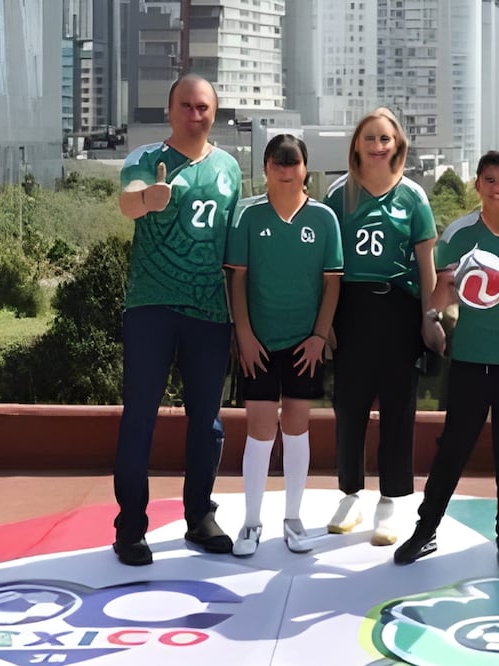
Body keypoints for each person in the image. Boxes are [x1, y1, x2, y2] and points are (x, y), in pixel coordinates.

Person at [394, 151, 499, 573]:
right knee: (452, 449)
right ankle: (425, 531)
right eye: (489, 180)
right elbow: (442, 294)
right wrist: (435, 310)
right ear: (478, 184)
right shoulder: (462, 233)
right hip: (470, 359)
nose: (497, 188)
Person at [111, 74, 241, 566]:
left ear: (214, 112)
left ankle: (199, 517)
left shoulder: (229, 167)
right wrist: (149, 201)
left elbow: (233, 244)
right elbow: (127, 204)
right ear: (170, 111)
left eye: (203, 106)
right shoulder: (145, 160)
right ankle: (130, 529)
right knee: (139, 419)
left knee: (206, 424)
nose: (195, 114)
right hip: (152, 307)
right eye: (185, 106)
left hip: (210, 311)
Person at [323, 108, 446, 546]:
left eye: (385, 138)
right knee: (349, 406)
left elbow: (426, 265)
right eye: (370, 138)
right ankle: (350, 493)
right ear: (357, 143)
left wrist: (430, 318)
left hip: (398, 308)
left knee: (399, 409)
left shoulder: (413, 196)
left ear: (398, 145)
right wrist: (325, 322)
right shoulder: (339, 195)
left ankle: (392, 501)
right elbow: (326, 265)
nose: (378, 146)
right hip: (351, 310)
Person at [225, 135, 343, 556]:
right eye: (277, 162)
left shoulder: (325, 219)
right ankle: (251, 522)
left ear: (305, 168)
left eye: (293, 162)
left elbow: (333, 283)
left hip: (304, 343)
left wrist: (317, 337)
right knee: (259, 429)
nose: (285, 169)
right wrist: (244, 336)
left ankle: (293, 519)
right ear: (266, 168)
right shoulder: (247, 216)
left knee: (296, 426)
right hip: (257, 341)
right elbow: (236, 279)